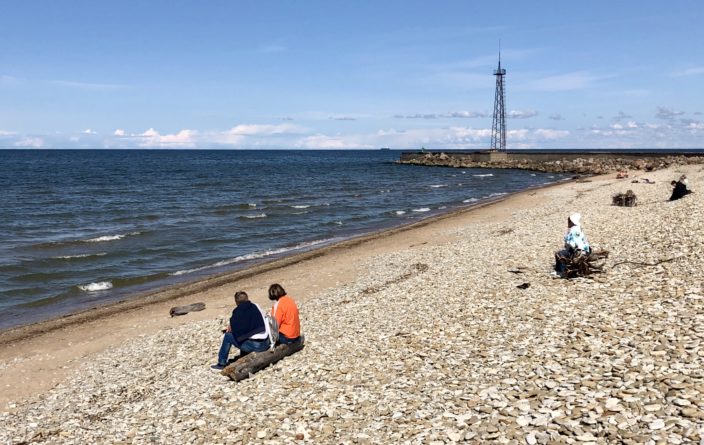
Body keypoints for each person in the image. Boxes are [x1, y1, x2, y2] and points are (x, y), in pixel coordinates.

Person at [211, 290, 270, 370]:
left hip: (256, 346)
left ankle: (221, 363)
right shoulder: (256, 306)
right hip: (266, 342)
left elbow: (237, 331)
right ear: (247, 298)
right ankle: (243, 355)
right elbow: (264, 318)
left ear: (236, 302)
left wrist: (231, 328)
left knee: (228, 336)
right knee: (247, 332)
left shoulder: (237, 311)